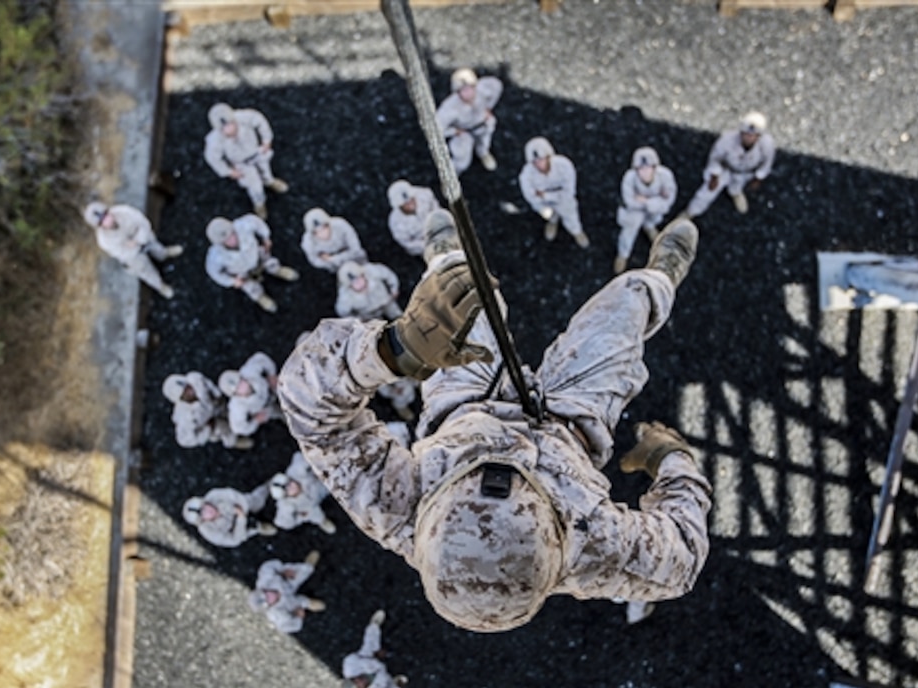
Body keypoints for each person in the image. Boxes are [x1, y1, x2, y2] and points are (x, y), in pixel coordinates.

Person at [279, 209, 712, 633]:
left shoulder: (395, 506)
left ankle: (448, 259)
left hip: (466, 402)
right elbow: (682, 558)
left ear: (429, 513)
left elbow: (309, 408)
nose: (503, 463)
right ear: (558, 539)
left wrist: (397, 348)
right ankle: (657, 279)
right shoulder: (592, 544)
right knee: (622, 315)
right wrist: (672, 462)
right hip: (570, 423)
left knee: (458, 305)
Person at [682, 111, 775, 219]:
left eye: (752, 136)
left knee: (737, 186)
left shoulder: (767, 144)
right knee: (707, 193)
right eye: (746, 134)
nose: (748, 138)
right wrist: (714, 175)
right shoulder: (727, 140)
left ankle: (735, 193)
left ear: (758, 136)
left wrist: (759, 177)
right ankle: (690, 213)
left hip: (745, 172)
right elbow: (715, 158)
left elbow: (767, 162)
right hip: (725, 170)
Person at [203, 102, 288, 218]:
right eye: (224, 128)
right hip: (241, 164)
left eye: (230, 124)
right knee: (255, 187)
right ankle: (259, 203)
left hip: (257, 153)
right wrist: (228, 171)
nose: (229, 129)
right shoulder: (215, 140)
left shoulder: (243, 117)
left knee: (266, 172)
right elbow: (213, 158)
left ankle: (270, 182)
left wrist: (266, 139)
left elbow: (260, 120)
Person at [83, 202, 182, 299]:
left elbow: (143, 222)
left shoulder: (124, 211)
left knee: (156, 247)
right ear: (99, 226)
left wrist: (138, 240)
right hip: (133, 255)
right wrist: (136, 248)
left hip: (143, 238)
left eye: (106, 215)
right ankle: (160, 286)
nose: (108, 220)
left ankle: (164, 254)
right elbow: (122, 254)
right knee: (145, 271)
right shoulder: (104, 241)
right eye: (102, 221)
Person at [205, 214, 299, 313]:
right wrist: (232, 281)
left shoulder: (243, 225)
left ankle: (278, 270)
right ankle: (260, 297)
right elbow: (214, 273)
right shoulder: (215, 256)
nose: (232, 240)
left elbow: (257, 222)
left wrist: (266, 237)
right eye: (227, 240)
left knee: (271, 263)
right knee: (250, 288)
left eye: (232, 234)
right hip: (242, 272)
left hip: (257, 256)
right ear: (220, 243)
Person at [614, 146, 677, 275]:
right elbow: (629, 201)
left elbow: (668, 202)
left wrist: (646, 201)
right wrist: (655, 201)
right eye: (641, 169)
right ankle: (623, 254)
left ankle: (649, 227)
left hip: (653, 209)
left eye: (649, 168)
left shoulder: (665, 176)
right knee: (629, 231)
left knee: (654, 219)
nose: (645, 172)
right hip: (635, 211)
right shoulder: (629, 178)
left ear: (655, 167)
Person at [518, 137, 589, 249]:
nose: (539, 165)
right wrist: (544, 202)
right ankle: (552, 222)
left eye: (541, 159)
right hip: (543, 204)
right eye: (535, 162)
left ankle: (576, 231)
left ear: (548, 156)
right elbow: (530, 197)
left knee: (571, 217)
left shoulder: (564, 166)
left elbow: (569, 192)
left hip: (564, 202)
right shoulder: (526, 175)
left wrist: (546, 195)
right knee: (549, 215)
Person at [435, 67, 502, 175]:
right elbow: (437, 128)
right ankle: (452, 174)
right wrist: (454, 131)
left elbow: (497, 85)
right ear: (457, 92)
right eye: (463, 90)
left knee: (485, 141)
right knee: (462, 158)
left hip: (483, 123)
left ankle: (483, 153)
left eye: (470, 88)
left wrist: (489, 107)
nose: (468, 93)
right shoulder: (450, 107)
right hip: (464, 131)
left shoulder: (483, 90)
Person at [162, 372, 252, 450]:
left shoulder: (195, 378)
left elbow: (207, 383)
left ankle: (246, 421)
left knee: (232, 413)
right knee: (224, 429)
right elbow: (184, 440)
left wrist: (217, 394)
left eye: (188, 387)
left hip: (215, 405)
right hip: (210, 423)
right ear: (180, 398)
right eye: (185, 393)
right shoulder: (183, 418)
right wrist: (207, 430)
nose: (191, 391)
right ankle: (235, 441)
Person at [341, 610, 407, 688]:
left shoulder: (349, 667)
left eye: (354, 681)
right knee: (401, 679)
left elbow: (353, 658)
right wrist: (398, 686)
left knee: (369, 645)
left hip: (370, 658)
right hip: (386, 678)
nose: (359, 681)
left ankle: (374, 626)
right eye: (359, 687)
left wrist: (375, 655)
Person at [247, 552, 326, 634]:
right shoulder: (275, 613)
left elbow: (267, 567)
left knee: (302, 572)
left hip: (288, 583)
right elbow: (285, 627)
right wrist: (298, 617)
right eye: (269, 600)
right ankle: (310, 604)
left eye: (266, 594)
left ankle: (308, 565)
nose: (271, 596)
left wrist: (282, 572)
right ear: (269, 606)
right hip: (291, 604)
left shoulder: (265, 582)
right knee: (304, 602)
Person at [182, 484, 275, 547]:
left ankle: (268, 486)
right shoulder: (208, 532)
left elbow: (234, 495)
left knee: (255, 500)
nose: (208, 511)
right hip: (238, 527)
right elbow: (234, 540)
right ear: (203, 521)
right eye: (203, 515)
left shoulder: (214, 494)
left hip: (242, 505)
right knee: (250, 530)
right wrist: (241, 519)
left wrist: (242, 510)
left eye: (205, 507)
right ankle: (260, 527)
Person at [268, 452, 337, 534]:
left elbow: (298, 456)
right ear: (286, 496)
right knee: (316, 516)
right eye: (287, 490)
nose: (292, 487)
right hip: (311, 507)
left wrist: (307, 462)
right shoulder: (285, 504)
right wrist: (292, 513)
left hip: (321, 484)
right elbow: (281, 522)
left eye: (289, 483)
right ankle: (322, 522)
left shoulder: (294, 472)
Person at [220, 352, 281, 438]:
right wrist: (255, 421)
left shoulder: (248, 371)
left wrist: (271, 374)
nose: (242, 386)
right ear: (234, 394)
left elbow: (261, 358)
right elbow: (237, 428)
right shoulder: (237, 406)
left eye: (240, 381)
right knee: (282, 414)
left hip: (272, 389)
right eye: (238, 388)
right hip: (265, 408)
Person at [300, 208, 368, 273]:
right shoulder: (308, 242)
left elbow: (356, 248)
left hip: (357, 258)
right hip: (334, 267)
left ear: (329, 224)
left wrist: (332, 258)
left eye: (324, 228)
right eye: (316, 232)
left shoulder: (341, 225)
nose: (322, 234)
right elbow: (314, 261)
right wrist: (330, 263)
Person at [387, 179, 441, 256]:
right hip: (426, 249)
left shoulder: (425, 195)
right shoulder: (395, 222)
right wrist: (429, 245)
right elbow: (408, 243)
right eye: (406, 204)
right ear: (399, 206)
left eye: (411, 200)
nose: (410, 204)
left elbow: (439, 213)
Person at [335, 260, 402, 322]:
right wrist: (358, 319)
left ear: (363, 275)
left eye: (359, 279)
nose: (358, 283)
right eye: (354, 283)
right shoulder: (345, 296)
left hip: (387, 302)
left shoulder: (371, 271)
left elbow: (388, 274)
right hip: (370, 315)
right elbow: (342, 312)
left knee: (399, 317)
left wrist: (394, 289)